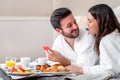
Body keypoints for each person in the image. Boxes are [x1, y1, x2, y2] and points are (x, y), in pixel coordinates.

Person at [66, 4, 120, 75]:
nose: (87, 24)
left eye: (90, 21)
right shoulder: (114, 35)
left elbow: (109, 70)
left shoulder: (107, 40)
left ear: (101, 22)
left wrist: (80, 69)